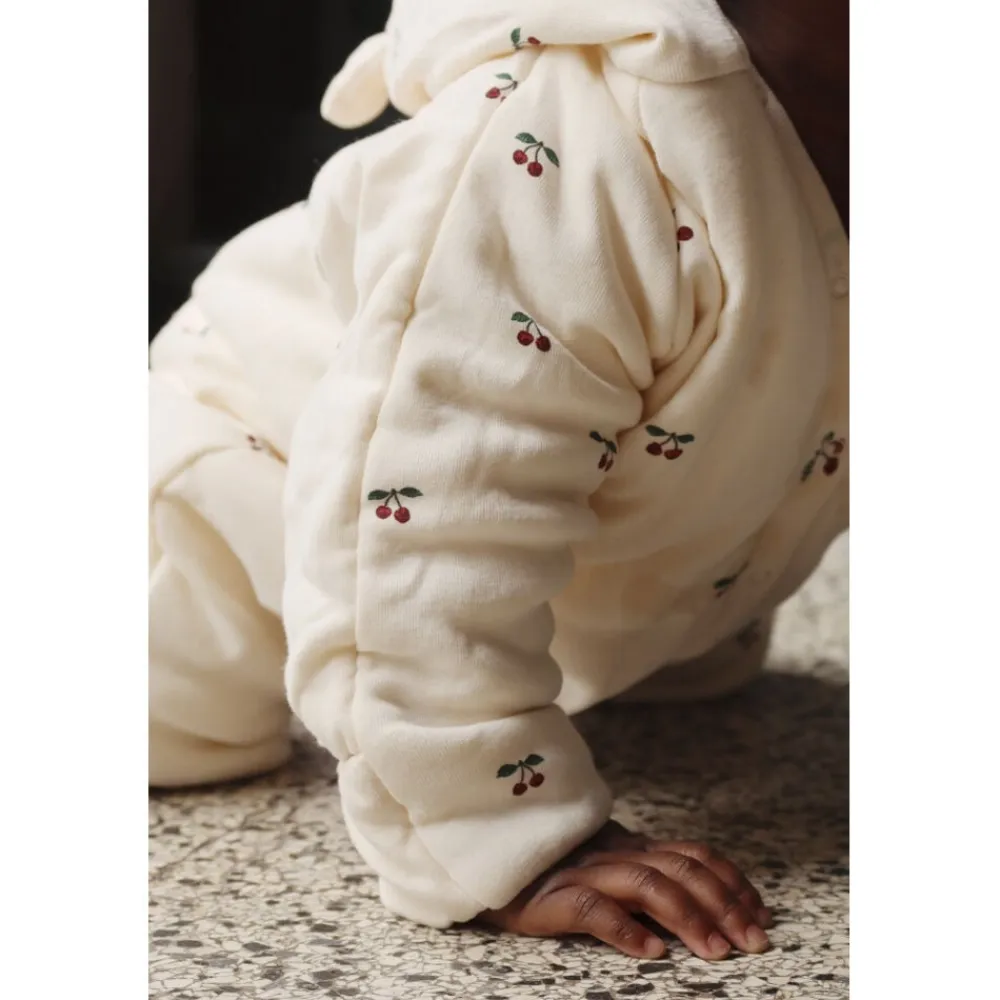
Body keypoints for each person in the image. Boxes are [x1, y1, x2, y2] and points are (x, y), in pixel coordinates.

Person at [149, 0, 847, 962]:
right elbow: (434, 513)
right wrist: (498, 830)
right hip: (261, 471)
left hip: (624, 555)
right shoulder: (577, 148)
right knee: (176, 716)